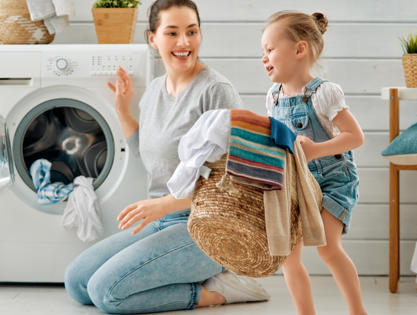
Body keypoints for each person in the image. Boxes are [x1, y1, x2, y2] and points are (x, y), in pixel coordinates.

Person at [64, 0, 269, 313]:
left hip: (210, 226)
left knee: (105, 293)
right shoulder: (156, 89)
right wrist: (122, 109)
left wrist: (165, 203)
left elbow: (237, 181)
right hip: (163, 222)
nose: (184, 42)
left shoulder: (216, 91)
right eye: (172, 33)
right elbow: (147, 151)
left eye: (192, 31)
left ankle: (219, 290)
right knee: (77, 281)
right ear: (152, 38)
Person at [260, 11, 367, 315]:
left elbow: (355, 137)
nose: (264, 58)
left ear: (299, 49)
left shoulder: (323, 93)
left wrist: (316, 149)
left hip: (334, 179)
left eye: (270, 49)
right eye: (262, 52)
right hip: (296, 183)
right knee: (288, 257)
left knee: (328, 248)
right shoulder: (274, 96)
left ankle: (358, 311)